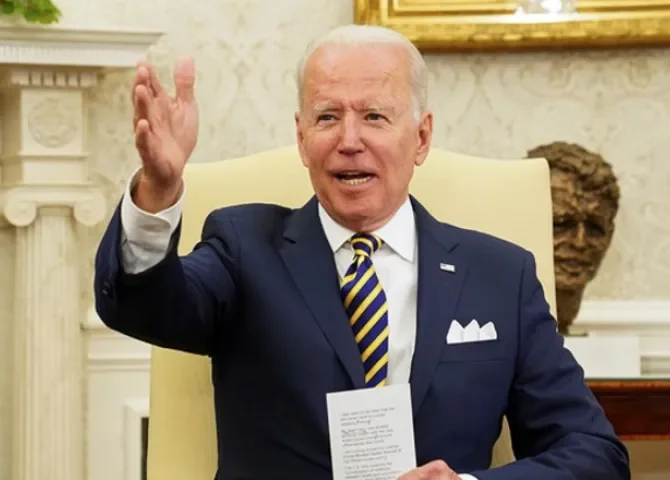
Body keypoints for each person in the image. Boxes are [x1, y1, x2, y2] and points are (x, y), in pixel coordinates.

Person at [94, 24, 630, 479]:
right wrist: (158, 190)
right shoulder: (245, 247)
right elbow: (143, 305)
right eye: (327, 117)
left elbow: (594, 453)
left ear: (421, 137)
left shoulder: (499, 276)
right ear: (302, 138)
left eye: (374, 116)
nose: (349, 140)